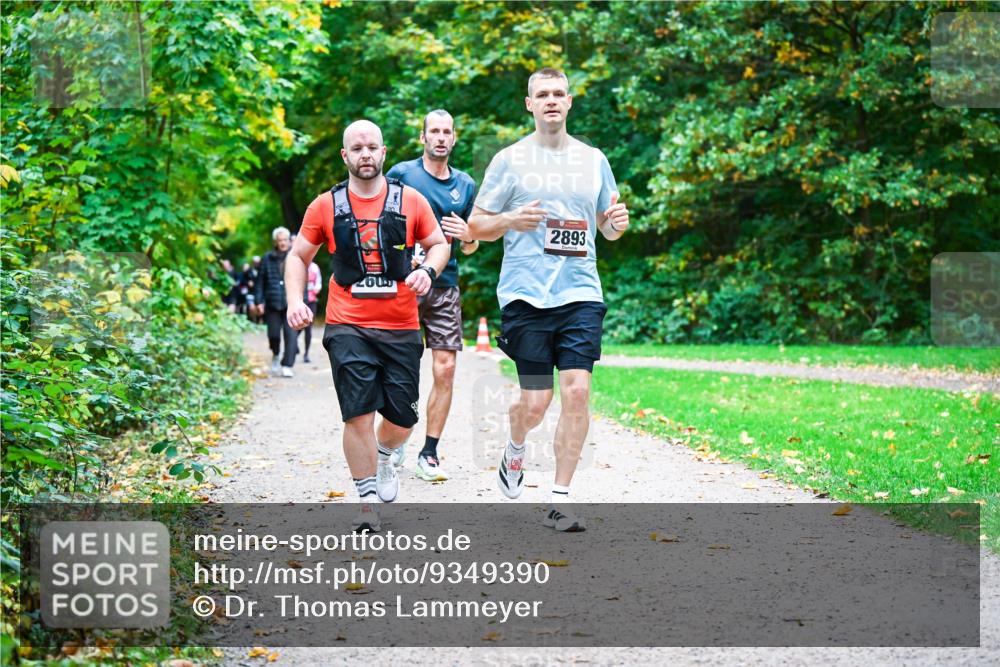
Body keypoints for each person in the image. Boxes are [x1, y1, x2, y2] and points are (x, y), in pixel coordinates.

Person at [468, 68, 630, 532]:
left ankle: (559, 499)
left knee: (577, 391)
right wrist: (510, 219)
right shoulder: (509, 160)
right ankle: (516, 445)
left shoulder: (593, 160)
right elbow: (475, 227)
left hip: (580, 293)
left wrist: (616, 223)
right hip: (526, 296)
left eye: (559, 93)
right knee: (535, 403)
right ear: (530, 104)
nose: (552, 100)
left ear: (570, 102)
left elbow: (609, 228)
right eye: (543, 94)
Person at [285, 119, 449, 531]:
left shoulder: (410, 200)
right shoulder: (325, 206)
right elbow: (298, 256)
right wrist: (295, 301)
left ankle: (385, 456)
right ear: (345, 155)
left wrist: (427, 271)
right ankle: (366, 500)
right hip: (348, 325)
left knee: (403, 419)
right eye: (357, 148)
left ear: (383, 152)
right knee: (357, 413)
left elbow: (438, 244)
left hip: (401, 326)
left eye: (372, 147)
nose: (365, 154)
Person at [385, 109, 478, 482]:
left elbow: (470, 245)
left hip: (445, 285)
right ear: (423, 137)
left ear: (454, 138)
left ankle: (430, 452)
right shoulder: (402, 174)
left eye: (446, 132)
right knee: (398, 368)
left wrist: (469, 235)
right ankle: (396, 433)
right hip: (404, 284)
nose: (441, 137)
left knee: (446, 368)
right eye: (434, 131)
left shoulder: (466, 185)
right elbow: (379, 222)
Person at [254, 227, 298, 378]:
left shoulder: (295, 257)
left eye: (285, 240)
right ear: (275, 242)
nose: (283, 243)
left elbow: (302, 281)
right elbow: (259, 282)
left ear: (289, 241)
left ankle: (287, 365)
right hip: (272, 303)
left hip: (291, 303)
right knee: (273, 335)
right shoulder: (267, 259)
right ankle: (276, 354)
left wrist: (302, 302)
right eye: (280, 240)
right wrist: (259, 301)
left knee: (291, 336)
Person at [297, 261, 322, 363]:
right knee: (299, 325)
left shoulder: (315, 267)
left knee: (308, 327)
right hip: (300, 300)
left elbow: (318, 282)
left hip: (311, 301)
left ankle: (306, 354)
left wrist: (316, 289)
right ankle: (294, 343)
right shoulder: (298, 265)